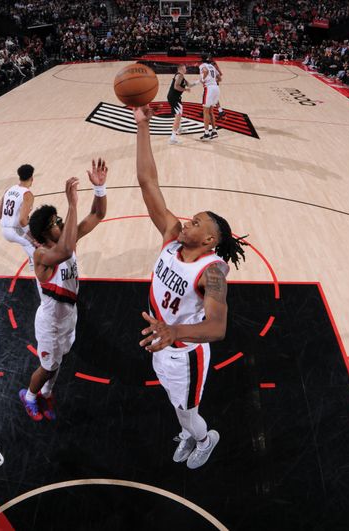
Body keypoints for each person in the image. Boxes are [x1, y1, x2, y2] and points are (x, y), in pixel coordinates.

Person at [134, 105, 248, 469]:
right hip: (162, 342)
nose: (186, 221)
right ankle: (188, 429)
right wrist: (143, 125)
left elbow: (217, 327)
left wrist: (174, 330)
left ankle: (204, 437)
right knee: (175, 402)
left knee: (187, 411)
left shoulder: (212, 271)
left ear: (211, 239)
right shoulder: (171, 237)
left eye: (195, 222)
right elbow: (148, 182)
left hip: (186, 353)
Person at [19, 159, 109, 421]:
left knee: (56, 364)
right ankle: (29, 397)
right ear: (47, 233)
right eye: (56, 221)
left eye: (60, 219)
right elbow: (66, 250)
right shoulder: (42, 254)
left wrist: (99, 190)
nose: (62, 222)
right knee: (46, 366)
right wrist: (71, 204)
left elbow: (97, 215)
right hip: (50, 324)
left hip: (68, 317)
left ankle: (46, 393)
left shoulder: (65, 240)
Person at [0, 164, 38, 272]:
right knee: (35, 243)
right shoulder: (27, 194)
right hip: (15, 230)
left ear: (19, 177)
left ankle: (33, 265)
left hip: (4, 230)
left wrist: (8, 221)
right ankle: (39, 271)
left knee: (28, 241)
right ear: (32, 178)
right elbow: (22, 220)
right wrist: (32, 237)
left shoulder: (8, 190)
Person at [198, 54, 221, 141]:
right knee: (211, 111)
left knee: (205, 112)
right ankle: (214, 131)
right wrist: (212, 81)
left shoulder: (202, 65)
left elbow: (205, 71)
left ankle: (206, 133)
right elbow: (219, 78)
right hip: (216, 88)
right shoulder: (212, 66)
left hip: (209, 89)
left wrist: (203, 80)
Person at [167, 64, 191, 145]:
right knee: (178, 115)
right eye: (185, 67)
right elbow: (176, 86)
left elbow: (190, 85)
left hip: (175, 98)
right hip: (174, 98)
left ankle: (179, 129)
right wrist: (185, 90)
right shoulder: (179, 76)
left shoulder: (182, 77)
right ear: (181, 69)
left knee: (179, 114)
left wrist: (200, 81)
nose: (186, 69)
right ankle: (172, 138)